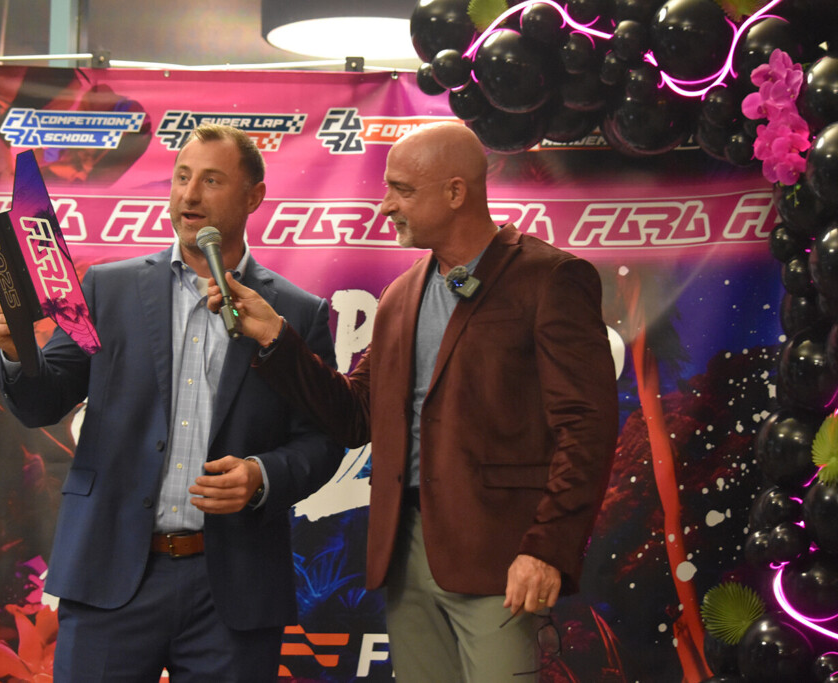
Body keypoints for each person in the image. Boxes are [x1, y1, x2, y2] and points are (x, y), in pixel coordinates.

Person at [208, 122, 619, 682]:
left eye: (401, 190)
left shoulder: (550, 279)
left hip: (499, 558)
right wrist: (275, 336)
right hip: (404, 555)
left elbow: (587, 429)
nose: (385, 206)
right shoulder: (401, 294)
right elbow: (355, 415)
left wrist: (547, 548)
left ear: (455, 192)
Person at [0, 124, 344, 681]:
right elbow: (42, 402)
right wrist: (16, 352)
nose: (189, 195)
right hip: (109, 576)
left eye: (211, 180)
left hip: (234, 588)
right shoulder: (107, 288)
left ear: (254, 197)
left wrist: (262, 475)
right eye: (181, 177)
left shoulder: (297, 313)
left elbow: (324, 438)